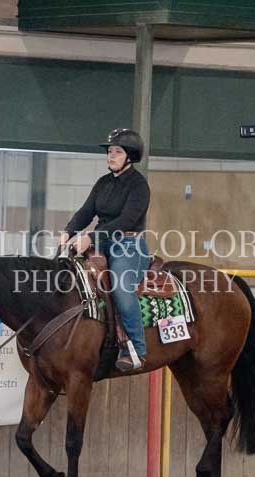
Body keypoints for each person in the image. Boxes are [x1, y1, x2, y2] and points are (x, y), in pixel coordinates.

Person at [58, 128, 151, 372]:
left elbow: (126, 221)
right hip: (100, 243)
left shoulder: (139, 186)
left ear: (130, 156)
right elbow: (86, 212)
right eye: (110, 151)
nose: (111, 156)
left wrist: (90, 237)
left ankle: (136, 349)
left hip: (128, 245)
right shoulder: (103, 183)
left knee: (120, 287)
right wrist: (68, 231)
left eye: (117, 151)